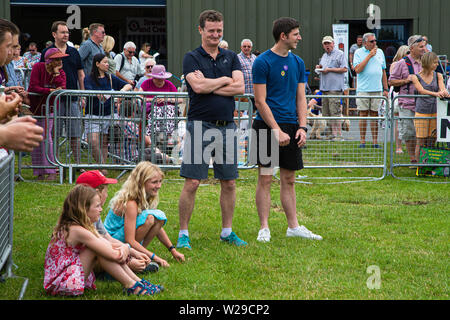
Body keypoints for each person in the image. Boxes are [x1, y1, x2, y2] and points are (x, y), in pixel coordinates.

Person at [177, 9, 246, 250]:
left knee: (229, 181)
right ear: (201, 30)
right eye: (211, 30)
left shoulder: (231, 57)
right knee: (193, 182)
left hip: (226, 126)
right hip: (199, 124)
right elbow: (196, 86)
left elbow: (239, 86)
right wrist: (223, 81)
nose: (215, 35)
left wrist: (210, 85)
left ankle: (227, 231)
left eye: (219, 30)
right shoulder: (191, 57)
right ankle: (183, 233)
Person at [251, 17, 322, 243]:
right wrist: (275, 130)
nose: (299, 38)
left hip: (292, 126)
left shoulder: (298, 63)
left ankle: (294, 226)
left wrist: (302, 127)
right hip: (266, 125)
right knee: (265, 177)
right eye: (296, 34)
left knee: (289, 178)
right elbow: (260, 102)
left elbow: (301, 98)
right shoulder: (262, 62)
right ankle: (264, 228)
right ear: (283, 36)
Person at [43, 184, 162, 296]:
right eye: (97, 206)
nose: (101, 209)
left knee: (103, 248)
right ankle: (131, 285)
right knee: (98, 250)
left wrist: (125, 249)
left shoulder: (80, 226)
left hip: (68, 277)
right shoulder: (77, 230)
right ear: (84, 209)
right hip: (61, 283)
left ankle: (138, 282)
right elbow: (113, 255)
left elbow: (106, 243)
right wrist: (125, 247)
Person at [76, 170, 159, 273]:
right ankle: (131, 279)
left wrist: (133, 252)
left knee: (113, 247)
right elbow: (102, 247)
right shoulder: (80, 220)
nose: (107, 195)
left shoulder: (93, 215)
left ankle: (134, 281)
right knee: (104, 250)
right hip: (80, 269)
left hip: (87, 262)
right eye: (105, 191)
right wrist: (129, 260)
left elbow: (107, 238)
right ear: (96, 193)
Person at [104, 161, 185, 267]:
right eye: (154, 182)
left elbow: (158, 226)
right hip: (111, 242)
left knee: (156, 218)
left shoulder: (143, 197)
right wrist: (156, 258)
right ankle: (137, 257)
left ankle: (139, 256)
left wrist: (172, 250)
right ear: (141, 182)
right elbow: (130, 240)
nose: (159, 186)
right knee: (150, 218)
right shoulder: (131, 203)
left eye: (160, 181)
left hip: (123, 242)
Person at [41, 21, 85, 165]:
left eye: (67, 32)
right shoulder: (47, 53)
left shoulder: (74, 52)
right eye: (63, 32)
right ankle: (55, 164)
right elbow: (42, 73)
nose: (66, 35)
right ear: (54, 34)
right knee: (55, 134)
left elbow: (81, 74)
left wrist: (83, 94)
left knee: (75, 134)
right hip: (54, 100)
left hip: (72, 99)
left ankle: (77, 165)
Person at [83, 53, 133, 169]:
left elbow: (128, 85)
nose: (107, 64)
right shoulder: (88, 78)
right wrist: (100, 94)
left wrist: (120, 92)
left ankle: (102, 169)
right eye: (105, 62)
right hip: (93, 115)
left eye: (107, 62)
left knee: (104, 143)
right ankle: (102, 166)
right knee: (93, 141)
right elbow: (90, 91)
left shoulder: (110, 77)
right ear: (97, 64)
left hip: (109, 114)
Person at [28, 48, 67, 181]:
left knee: (46, 138)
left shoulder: (61, 73)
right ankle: (39, 171)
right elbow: (33, 87)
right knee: (36, 139)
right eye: (57, 59)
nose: (60, 62)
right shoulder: (38, 67)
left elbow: (62, 88)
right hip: (35, 108)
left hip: (49, 109)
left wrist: (56, 75)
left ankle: (51, 170)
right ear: (50, 60)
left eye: (60, 59)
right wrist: (50, 90)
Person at [389, 35, 426, 163]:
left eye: (424, 46)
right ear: (412, 48)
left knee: (423, 133)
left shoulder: (426, 61)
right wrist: (406, 80)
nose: (424, 49)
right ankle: (413, 159)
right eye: (421, 46)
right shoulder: (402, 63)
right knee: (409, 133)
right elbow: (391, 82)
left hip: (424, 103)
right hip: (407, 103)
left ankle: (423, 158)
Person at [411, 52, 449, 161]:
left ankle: (430, 163)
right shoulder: (415, 77)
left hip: (435, 111)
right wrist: (436, 94)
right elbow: (421, 90)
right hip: (421, 112)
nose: (437, 64)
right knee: (421, 141)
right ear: (428, 63)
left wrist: (443, 92)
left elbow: (442, 87)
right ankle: (419, 165)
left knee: (432, 140)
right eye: (435, 62)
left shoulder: (438, 76)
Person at [353, 32, 389, 149]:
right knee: (363, 114)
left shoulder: (380, 52)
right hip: (363, 89)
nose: (374, 43)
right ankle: (362, 141)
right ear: (365, 43)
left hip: (377, 89)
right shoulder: (358, 53)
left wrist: (386, 88)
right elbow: (357, 69)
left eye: (375, 41)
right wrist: (369, 56)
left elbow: (383, 71)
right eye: (371, 41)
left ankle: (375, 142)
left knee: (374, 114)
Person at [316, 36, 348, 140]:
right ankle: (330, 134)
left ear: (333, 43)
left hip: (335, 88)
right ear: (323, 45)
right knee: (326, 112)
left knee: (335, 112)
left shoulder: (340, 54)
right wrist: (319, 68)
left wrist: (329, 69)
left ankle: (338, 135)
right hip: (324, 88)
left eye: (329, 43)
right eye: (325, 44)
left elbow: (344, 69)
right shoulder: (324, 56)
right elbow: (322, 68)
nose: (327, 45)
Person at [140, 64, 178, 150]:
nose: (161, 80)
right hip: (152, 109)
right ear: (153, 77)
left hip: (167, 110)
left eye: (162, 78)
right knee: (156, 111)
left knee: (168, 109)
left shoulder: (169, 84)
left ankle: (169, 135)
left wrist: (166, 99)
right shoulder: (146, 83)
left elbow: (180, 99)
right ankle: (150, 135)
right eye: (158, 78)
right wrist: (153, 99)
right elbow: (139, 97)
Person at [388, 45, 409, 154]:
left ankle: (408, 145)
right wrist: (406, 79)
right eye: (407, 53)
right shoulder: (396, 64)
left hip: (407, 94)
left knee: (407, 121)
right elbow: (392, 79)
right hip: (397, 94)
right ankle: (398, 146)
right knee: (398, 121)